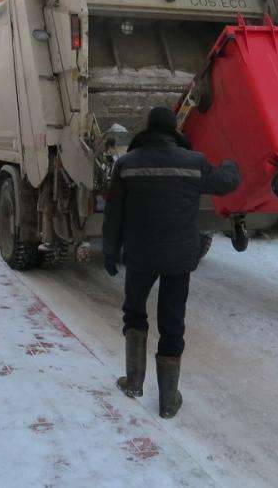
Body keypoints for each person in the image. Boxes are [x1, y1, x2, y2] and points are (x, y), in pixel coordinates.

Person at [103, 107, 240, 418]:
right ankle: (168, 401)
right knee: (172, 322)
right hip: (178, 258)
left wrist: (110, 252)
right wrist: (232, 161)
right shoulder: (194, 163)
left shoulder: (127, 164)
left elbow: (113, 215)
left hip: (140, 256)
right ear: (173, 131)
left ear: (147, 130)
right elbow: (226, 182)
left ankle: (134, 381)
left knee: (134, 313)